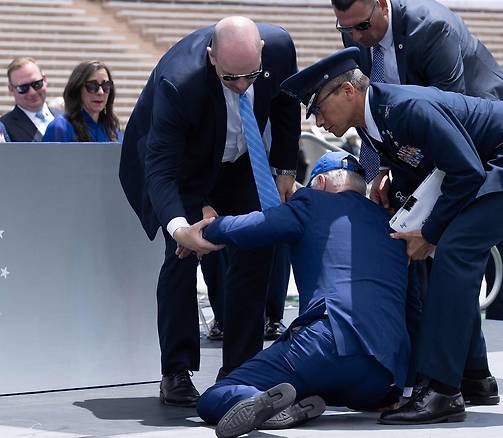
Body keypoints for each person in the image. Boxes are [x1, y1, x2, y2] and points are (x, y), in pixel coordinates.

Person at [280, 47, 503, 424]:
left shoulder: (404, 109)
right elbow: (421, 165)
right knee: (452, 256)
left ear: (348, 91)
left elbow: (466, 172)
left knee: (455, 252)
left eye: (318, 108)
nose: (318, 122)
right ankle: (474, 376)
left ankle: (443, 392)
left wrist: (429, 232)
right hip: (493, 160)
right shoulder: (374, 119)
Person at [118, 17, 300, 407]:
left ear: (262, 55)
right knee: (183, 255)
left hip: (239, 161)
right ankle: (176, 370)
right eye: (231, 77)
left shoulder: (280, 48)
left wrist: (285, 167)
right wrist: (181, 226)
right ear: (211, 56)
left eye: (250, 76)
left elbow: (286, 103)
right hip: (180, 165)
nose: (241, 86)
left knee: (257, 243)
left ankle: (241, 368)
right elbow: (162, 167)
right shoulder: (178, 82)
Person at [332, 0, 503, 321]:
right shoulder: (357, 31)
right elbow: (375, 105)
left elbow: (449, 113)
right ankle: (441, 321)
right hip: (419, 130)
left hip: (483, 125)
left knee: (484, 215)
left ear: (382, 5)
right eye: (345, 28)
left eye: (362, 26)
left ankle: (494, 313)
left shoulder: (431, 27)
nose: (354, 36)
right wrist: (382, 166)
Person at [194, 151, 410, 437]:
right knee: (326, 382)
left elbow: (254, 226)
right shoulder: (391, 223)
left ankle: (261, 401)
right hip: (383, 373)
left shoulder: (312, 202)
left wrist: (204, 231)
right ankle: (298, 401)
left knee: (213, 397)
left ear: (319, 181)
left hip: (325, 340)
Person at [42, 61, 122, 142]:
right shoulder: (59, 128)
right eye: (92, 86)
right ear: (77, 89)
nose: (100, 92)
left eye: (106, 86)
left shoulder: (113, 129)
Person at [1, 57, 62, 142]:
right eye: (23, 88)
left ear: (44, 80)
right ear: (11, 89)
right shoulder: (4, 127)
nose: (32, 92)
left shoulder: (68, 118)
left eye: (37, 84)